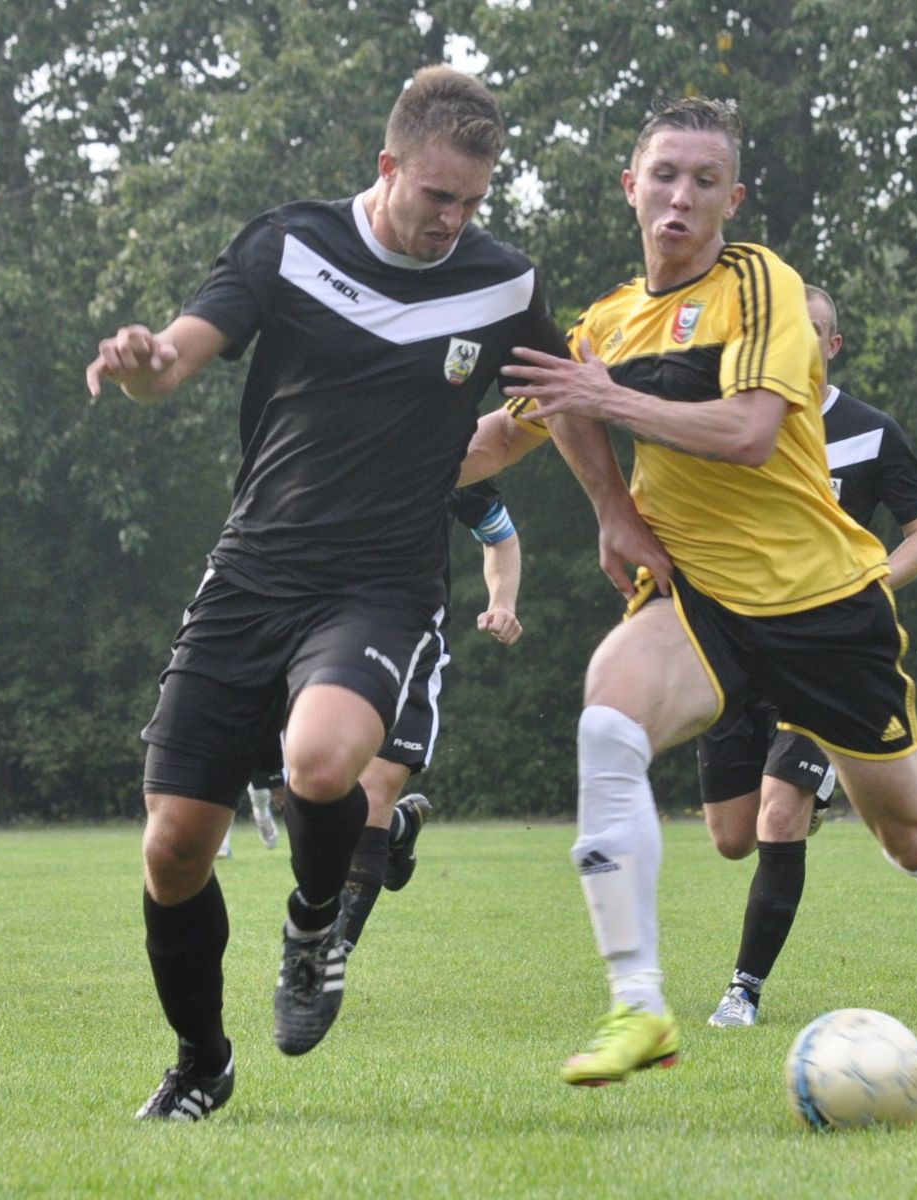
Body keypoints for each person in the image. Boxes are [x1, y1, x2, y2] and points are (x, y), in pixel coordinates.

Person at [485, 97, 917, 1085]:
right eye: (665, 176)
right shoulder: (604, 323)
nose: (681, 197)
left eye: (705, 181)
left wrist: (605, 399)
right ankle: (639, 1006)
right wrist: (370, 463)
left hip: (823, 607)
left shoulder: (761, 286)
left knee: (910, 837)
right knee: (608, 716)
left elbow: (746, 434)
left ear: (732, 198)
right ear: (631, 188)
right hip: (699, 601)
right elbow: (512, 432)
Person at [84, 66, 572, 1121]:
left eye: (473, 202)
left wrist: (599, 506)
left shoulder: (505, 284)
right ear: (388, 165)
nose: (454, 220)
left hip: (380, 584)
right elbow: (174, 359)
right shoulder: (288, 245)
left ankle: (316, 923)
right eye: (437, 194)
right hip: (252, 572)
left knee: (318, 761)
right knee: (172, 847)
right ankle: (202, 1062)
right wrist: (137, 362)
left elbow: (556, 405)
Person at [696, 283, 917, 1028]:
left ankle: (743, 989)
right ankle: (807, 797)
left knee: (778, 811)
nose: (800, 344)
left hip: (827, 656)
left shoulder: (871, 432)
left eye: (815, 333)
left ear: (833, 346)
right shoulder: (734, 425)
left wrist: (860, 587)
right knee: (733, 837)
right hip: (737, 657)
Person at [333, 479, 524, 954]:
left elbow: (498, 533)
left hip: (408, 640)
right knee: (317, 803)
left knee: (371, 795)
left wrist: (502, 602)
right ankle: (397, 831)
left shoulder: (449, 446)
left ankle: (321, 967)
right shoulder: (312, 428)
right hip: (321, 637)